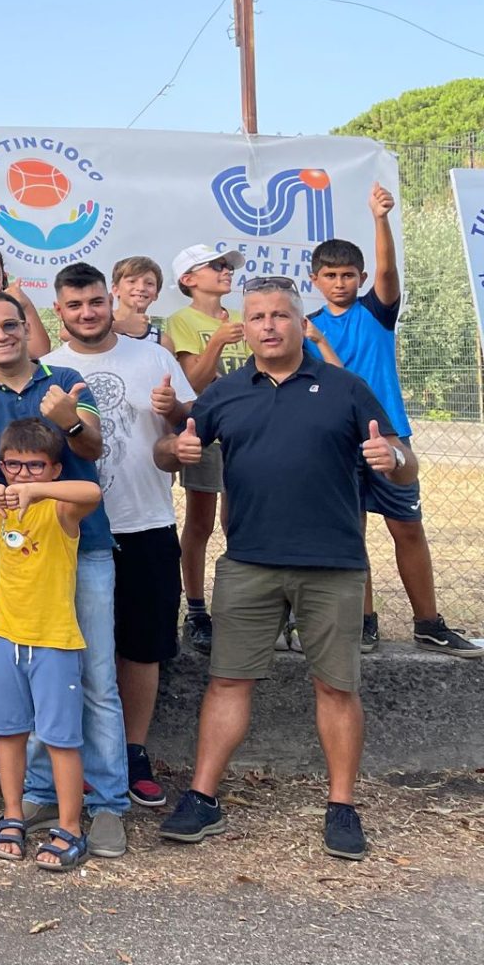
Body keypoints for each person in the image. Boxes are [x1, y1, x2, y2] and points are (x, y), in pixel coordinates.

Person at [157, 275, 414, 862]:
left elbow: (404, 460)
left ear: (302, 323)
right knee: (227, 680)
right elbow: (167, 447)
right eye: (257, 317)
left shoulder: (346, 388)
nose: (269, 325)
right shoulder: (226, 394)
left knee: (337, 686)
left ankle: (342, 807)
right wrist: (176, 451)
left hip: (334, 565)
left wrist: (391, 457)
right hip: (248, 564)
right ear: (242, 328)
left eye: (280, 315)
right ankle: (202, 798)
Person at [0, 289, 127, 859]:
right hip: (23, 558)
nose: (0, 336)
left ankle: (108, 805)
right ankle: (41, 794)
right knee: (30, 688)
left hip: (82, 548)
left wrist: (70, 422)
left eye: (10, 324)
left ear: (27, 326)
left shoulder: (67, 378)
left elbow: (93, 451)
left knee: (94, 679)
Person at [45, 262, 197, 810]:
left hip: (145, 522)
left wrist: (175, 412)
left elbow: (187, 423)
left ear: (110, 302)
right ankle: (80, 754)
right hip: (74, 533)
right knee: (77, 648)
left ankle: (132, 752)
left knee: (142, 646)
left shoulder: (153, 358)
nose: (87, 313)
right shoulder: (47, 370)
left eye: (95, 303)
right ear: (58, 312)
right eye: (74, 305)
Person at [310, 184, 478, 657]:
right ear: (315, 280)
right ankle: (364, 623)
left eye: (348, 274)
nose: (340, 282)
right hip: (337, 442)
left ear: (360, 277)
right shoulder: (306, 327)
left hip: (388, 435)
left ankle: (428, 623)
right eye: (331, 275)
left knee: (407, 528)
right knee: (352, 530)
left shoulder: (376, 312)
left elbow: (388, 269)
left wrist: (380, 217)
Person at [0, 418, 101, 871]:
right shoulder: (2, 506)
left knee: (60, 738)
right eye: (14, 466)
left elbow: (91, 493)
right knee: (7, 732)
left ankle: (70, 826)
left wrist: (40, 493)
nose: (23, 475)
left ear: (54, 468)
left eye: (35, 466)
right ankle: (13, 813)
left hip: (53, 640)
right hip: (4, 637)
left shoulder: (61, 509)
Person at [164, 244, 250, 655]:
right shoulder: (180, 321)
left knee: (244, 521)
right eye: (216, 267)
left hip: (251, 433)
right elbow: (193, 384)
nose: (225, 272)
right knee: (201, 523)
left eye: (227, 266)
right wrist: (216, 341)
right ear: (189, 279)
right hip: (208, 433)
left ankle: (245, 607)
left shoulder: (246, 316)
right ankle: (197, 610)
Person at [110, 256, 165, 342]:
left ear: (156, 294)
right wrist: (121, 326)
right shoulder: (95, 322)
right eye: (132, 281)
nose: (141, 288)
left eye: (149, 283)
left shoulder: (162, 340)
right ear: (115, 289)